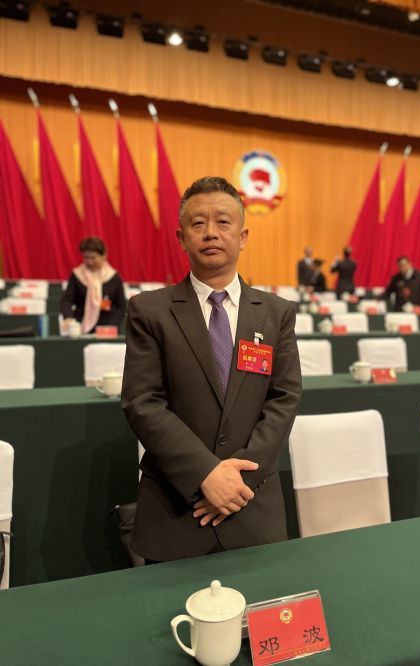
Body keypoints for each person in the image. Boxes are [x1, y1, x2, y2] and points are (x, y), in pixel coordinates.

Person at [121, 176, 302, 563]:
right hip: (176, 511)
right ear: (181, 238)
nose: (210, 233)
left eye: (223, 222)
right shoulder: (150, 311)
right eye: (198, 223)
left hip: (252, 506)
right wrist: (205, 474)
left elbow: (284, 398)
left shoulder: (276, 313)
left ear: (243, 236)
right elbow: (142, 402)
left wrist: (238, 483)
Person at [60, 237, 126, 333]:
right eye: (86, 258)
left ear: (104, 256)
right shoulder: (77, 275)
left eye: (93, 258)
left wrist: (111, 325)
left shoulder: (114, 277)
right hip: (81, 327)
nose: (89, 262)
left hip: (107, 329)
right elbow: (66, 300)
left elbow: (121, 306)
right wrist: (68, 317)